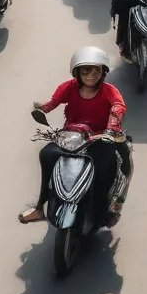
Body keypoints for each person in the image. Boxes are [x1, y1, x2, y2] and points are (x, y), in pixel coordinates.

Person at [18, 47, 131, 228]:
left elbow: (118, 106)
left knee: (109, 169)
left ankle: (112, 207)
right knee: (47, 155)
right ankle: (40, 207)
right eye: (86, 70)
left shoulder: (109, 90)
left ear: (103, 72)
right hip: (71, 137)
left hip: (101, 139)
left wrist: (111, 128)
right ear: (77, 72)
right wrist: (41, 108)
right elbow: (52, 103)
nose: (91, 74)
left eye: (96, 70)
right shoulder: (68, 87)